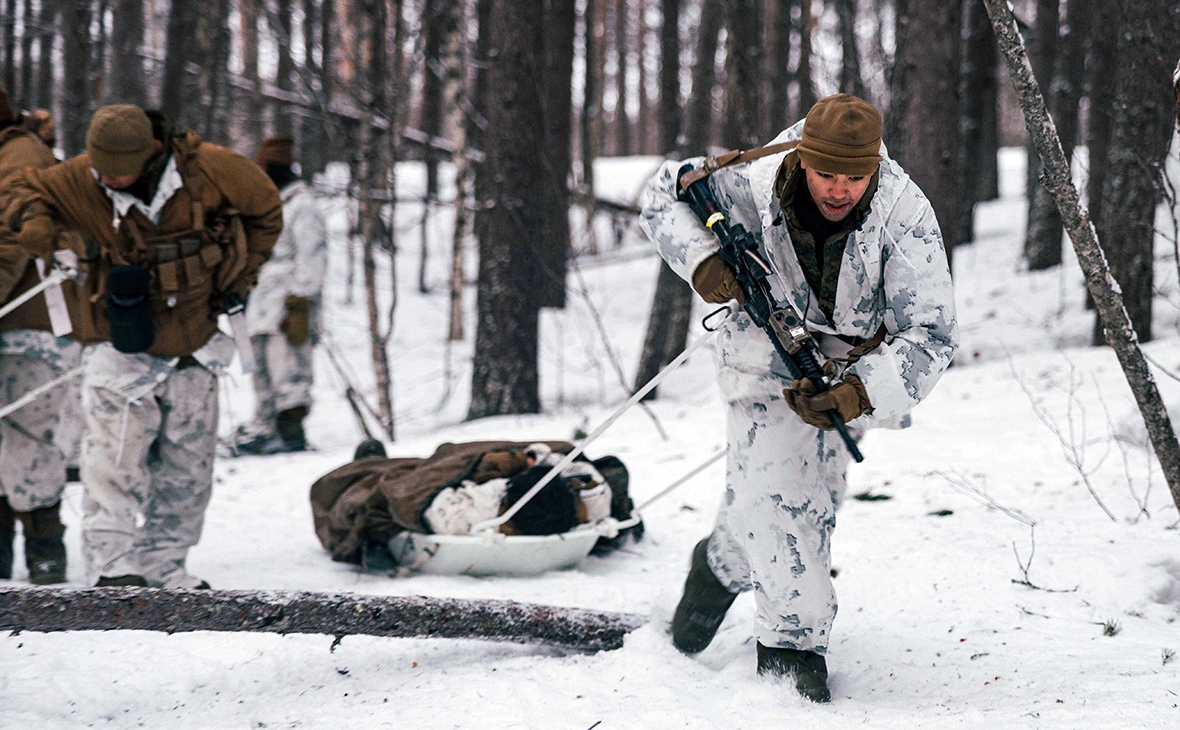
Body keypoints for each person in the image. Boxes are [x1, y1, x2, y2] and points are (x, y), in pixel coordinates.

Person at [639, 94, 958, 702]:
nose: (840, 190)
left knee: (807, 500)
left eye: (855, 177)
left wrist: (857, 394)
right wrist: (704, 262)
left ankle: (722, 564)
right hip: (760, 360)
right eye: (827, 174)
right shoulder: (752, 179)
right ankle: (791, 659)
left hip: (842, 378)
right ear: (803, 158)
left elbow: (932, 334)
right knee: (788, 504)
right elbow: (662, 193)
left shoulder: (905, 212)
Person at [2, 104, 282, 588]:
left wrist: (242, 274)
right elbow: (24, 186)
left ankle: (166, 567)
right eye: (99, 169)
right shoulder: (83, 176)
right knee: (112, 463)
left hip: (195, 338)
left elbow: (267, 212)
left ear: (152, 151)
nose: (106, 180)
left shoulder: (214, 169)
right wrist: (35, 218)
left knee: (188, 467)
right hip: (118, 342)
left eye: (118, 171)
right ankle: (113, 570)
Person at [0, 85, 81, 584]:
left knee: (29, 438)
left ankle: (45, 549)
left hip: (28, 321)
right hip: (12, 317)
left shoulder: (18, 159)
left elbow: (17, 239)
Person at [234, 136, 327, 454]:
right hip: (259, 301)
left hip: (287, 304)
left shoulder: (302, 206)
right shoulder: (264, 204)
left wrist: (300, 301)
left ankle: (290, 433)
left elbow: (312, 256)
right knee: (260, 370)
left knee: (288, 369)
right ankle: (264, 427)